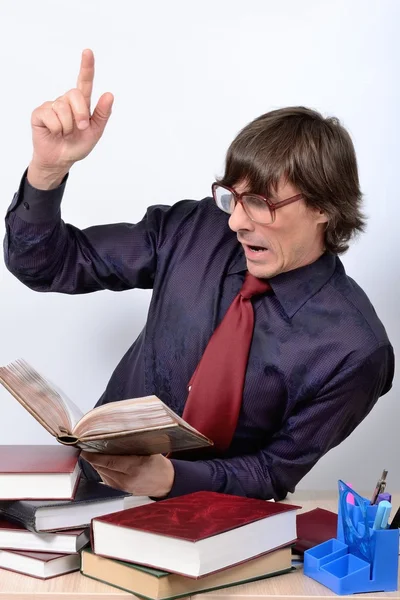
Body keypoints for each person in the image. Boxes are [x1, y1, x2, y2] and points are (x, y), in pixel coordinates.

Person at [4, 49, 394, 501]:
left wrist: (170, 480)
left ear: (325, 207)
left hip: (215, 530)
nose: (236, 222)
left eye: (262, 203)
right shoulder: (194, 230)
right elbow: (45, 265)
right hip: (92, 495)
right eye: (232, 197)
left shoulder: (355, 350)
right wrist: (49, 170)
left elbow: (274, 472)